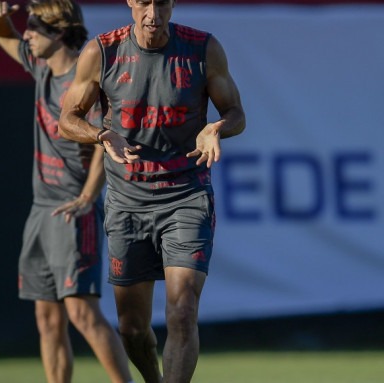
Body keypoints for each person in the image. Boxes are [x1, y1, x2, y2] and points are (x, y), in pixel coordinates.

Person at [58, 0, 246, 381]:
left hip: (186, 195)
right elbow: (67, 119)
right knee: (131, 327)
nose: (152, 14)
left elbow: (236, 113)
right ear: (130, 2)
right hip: (128, 201)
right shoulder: (103, 51)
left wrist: (216, 127)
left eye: (161, 3)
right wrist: (99, 133)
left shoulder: (202, 48)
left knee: (182, 310)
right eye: (144, 3)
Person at [0, 2, 134, 383]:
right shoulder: (42, 68)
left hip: (74, 209)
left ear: (60, 32)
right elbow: (3, 33)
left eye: (35, 27)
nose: (27, 34)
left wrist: (88, 197)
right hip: (42, 209)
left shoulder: (82, 83)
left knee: (82, 313)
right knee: (47, 319)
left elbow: (106, 141)